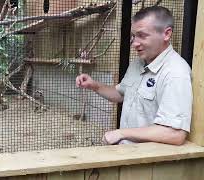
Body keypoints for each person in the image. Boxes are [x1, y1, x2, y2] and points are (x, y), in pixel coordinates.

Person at [76, 6, 192, 145]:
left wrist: (121, 133)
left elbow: (175, 134)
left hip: (148, 162)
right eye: (134, 36)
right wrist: (94, 85)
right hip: (128, 155)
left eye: (142, 35)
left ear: (166, 34)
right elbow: (121, 94)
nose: (134, 43)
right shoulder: (138, 64)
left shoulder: (175, 73)